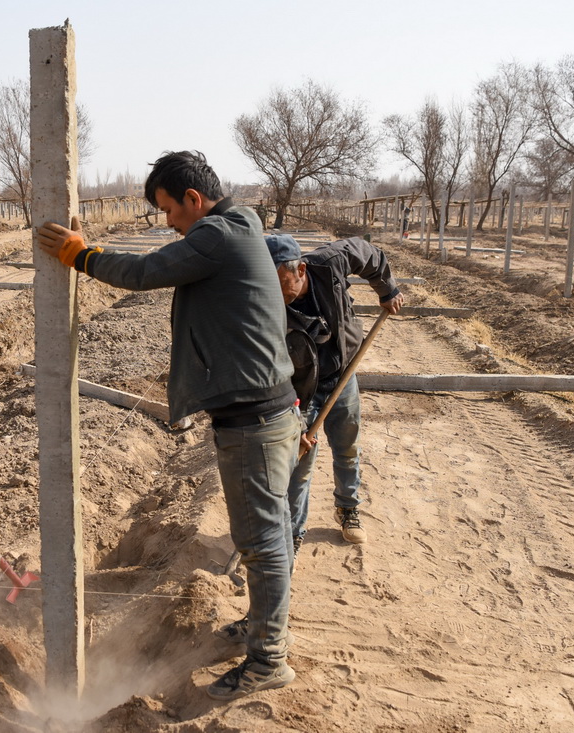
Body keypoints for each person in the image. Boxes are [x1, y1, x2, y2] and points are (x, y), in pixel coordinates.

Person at [37, 151, 303, 701]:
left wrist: (82, 256)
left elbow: (144, 272)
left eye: (169, 210)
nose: (168, 223)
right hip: (261, 414)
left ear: (193, 200)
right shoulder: (238, 225)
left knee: (262, 543)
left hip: (253, 422)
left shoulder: (217, 236)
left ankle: (269, 659)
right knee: (264, 536)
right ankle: (260, 628)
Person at [263, 233, 404, 561]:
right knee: (298, 463)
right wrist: (291, 420)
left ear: (300, 269)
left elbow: (371, 255)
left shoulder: (330, 263)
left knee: (347, 445)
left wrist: (388, 289)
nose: (275, 292)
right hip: (299, 389)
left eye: (282, 282)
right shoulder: (264, 305)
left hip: (342, 374)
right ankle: (292, 536)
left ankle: (348, 508)